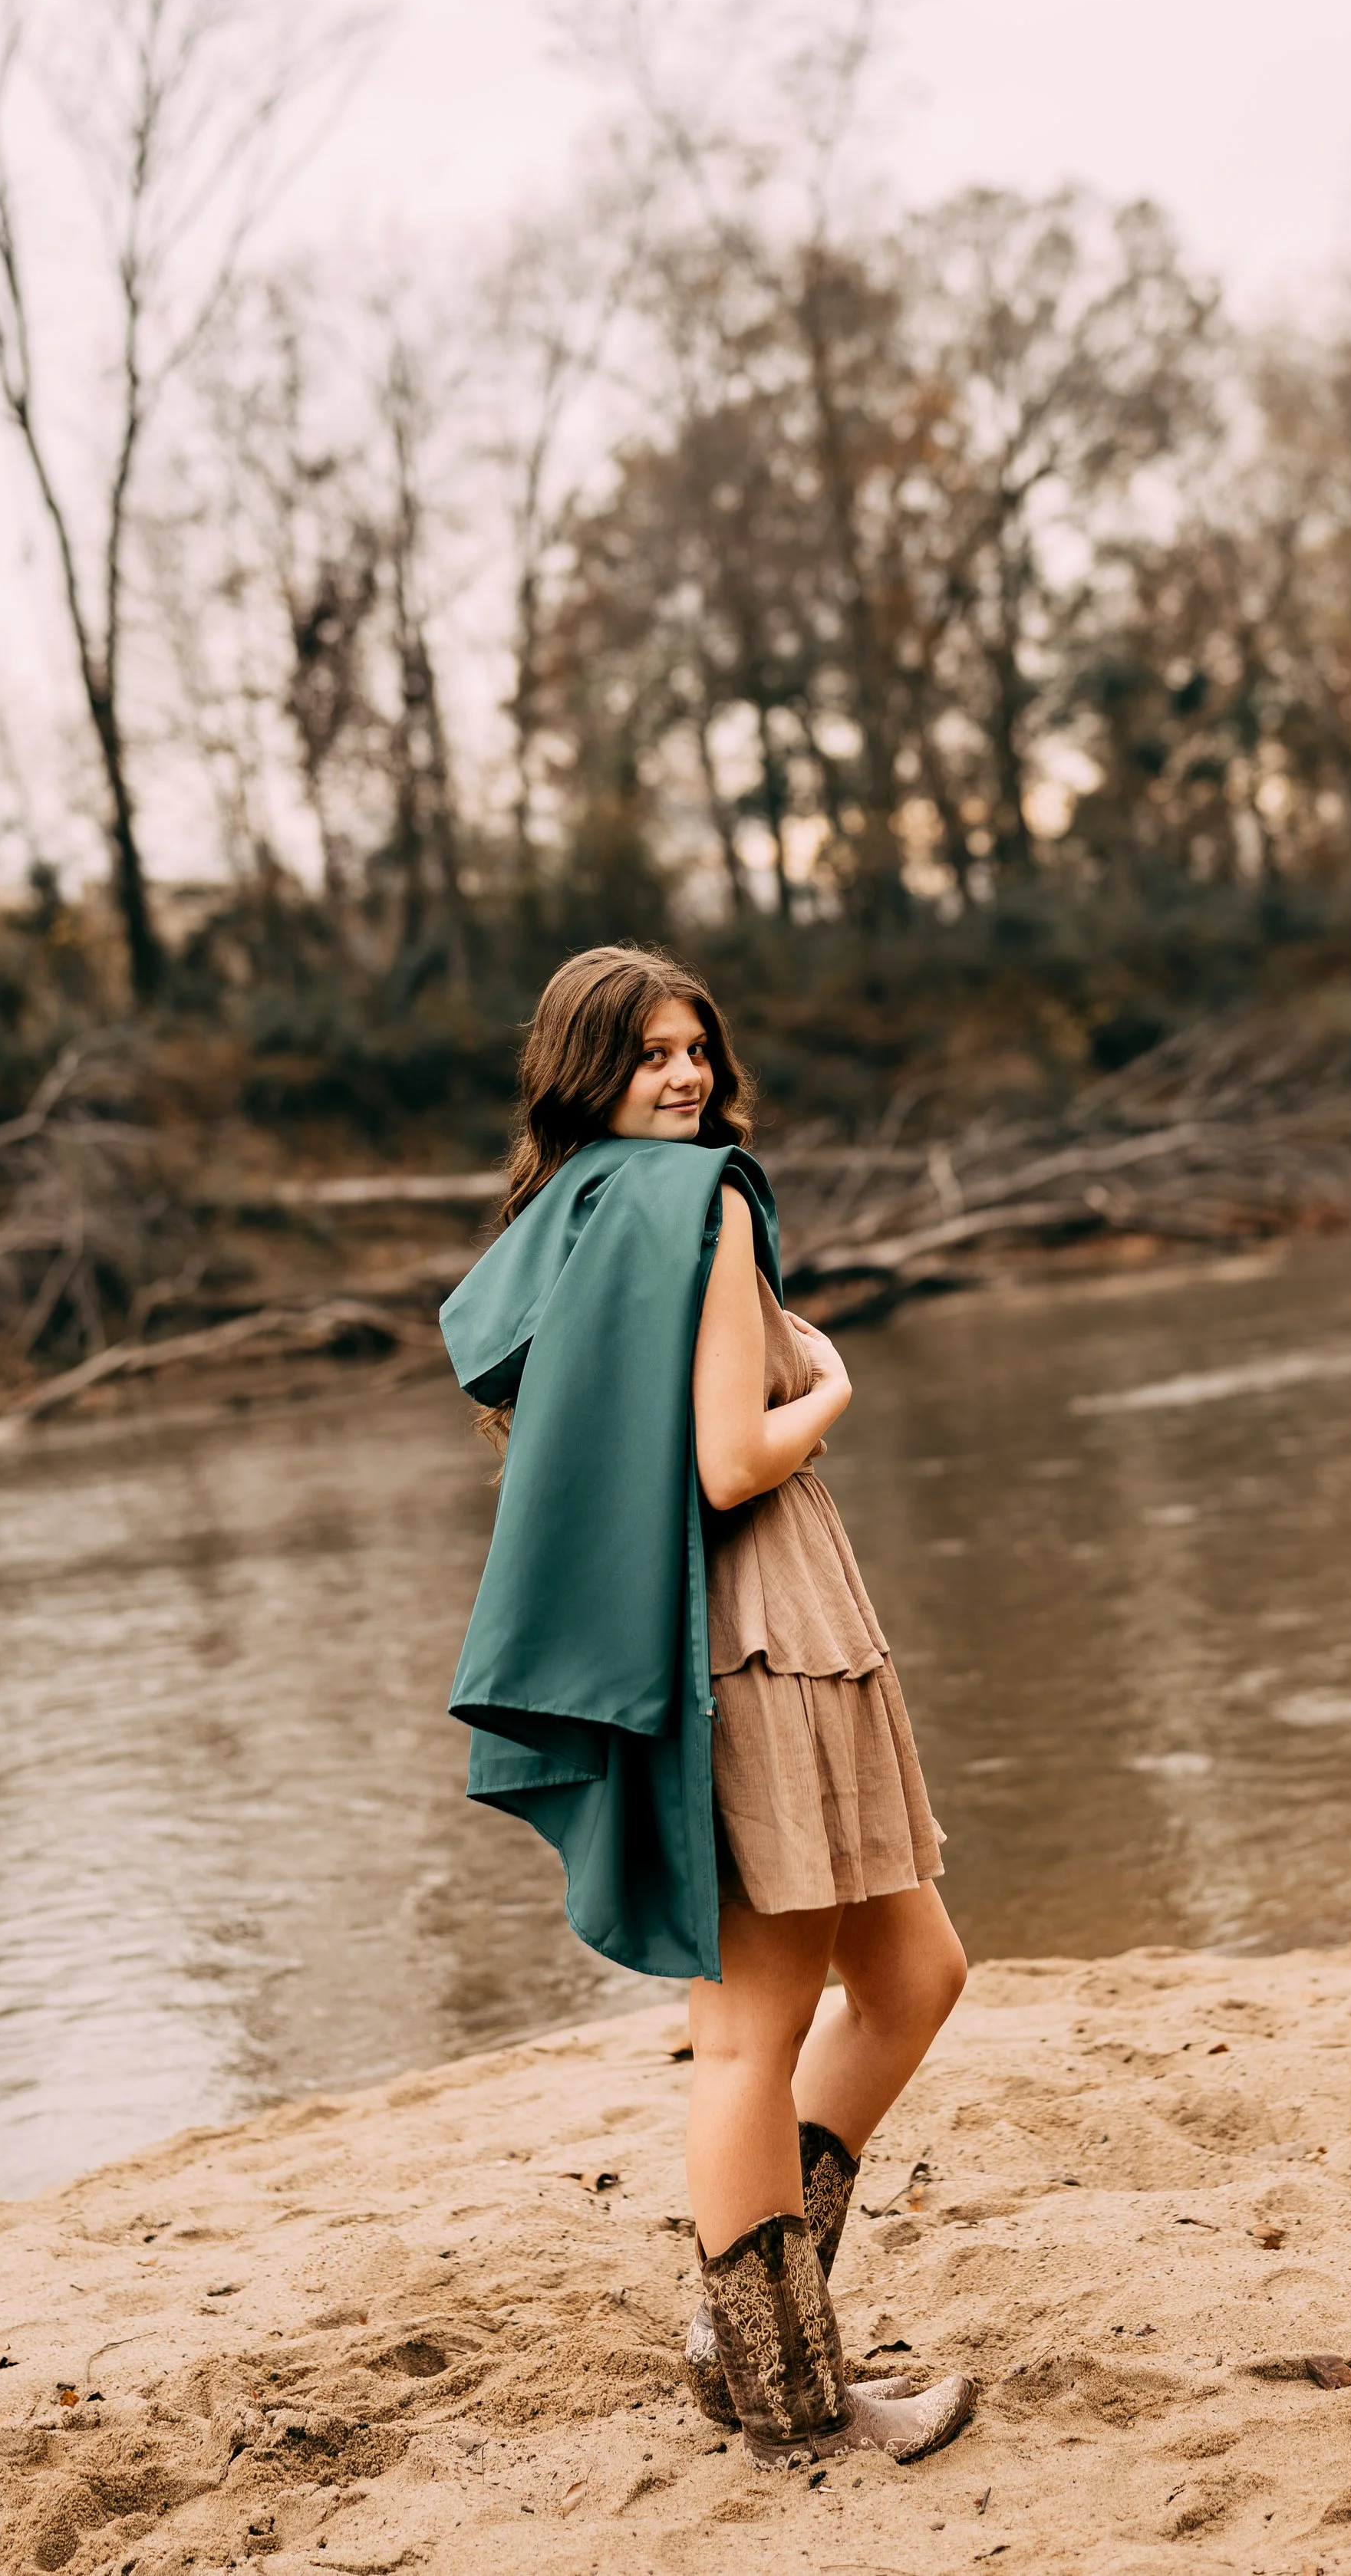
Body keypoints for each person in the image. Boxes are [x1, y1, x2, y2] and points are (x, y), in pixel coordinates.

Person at [438, 944, 974, 2470]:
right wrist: (835, 1395)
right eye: (643, 1053)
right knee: (748, 2035)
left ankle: (739, 2324)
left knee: (912, 1974)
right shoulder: (704, 1199)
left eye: (691, 1048)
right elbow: (731, 1460)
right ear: (583, 1069)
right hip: (750, 1635)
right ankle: (788, 2392)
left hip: (759, 1628)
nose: (677, 1076)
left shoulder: (571, 1217)